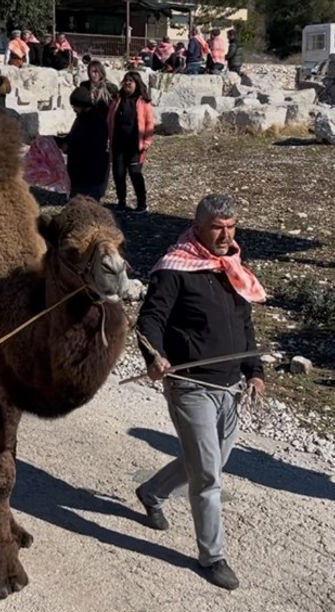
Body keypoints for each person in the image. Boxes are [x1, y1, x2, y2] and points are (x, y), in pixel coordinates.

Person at [134, 195, 266, 590]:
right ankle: (214, 557)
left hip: (230, 387)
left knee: (210, 462)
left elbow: (245, 327)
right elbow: (150, 320)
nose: (226, 235)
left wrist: (255, 372)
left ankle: (152, 492)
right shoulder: (174, 269)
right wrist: (154, 357)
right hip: (190, 386)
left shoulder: (232, 269)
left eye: (231, 227)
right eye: (217, 228)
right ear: (197, 226)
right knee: (208, 473)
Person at [106, 71, 153, 212]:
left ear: (137, 84)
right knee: (119, 174)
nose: (127, 83)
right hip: (118, 144)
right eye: (125, 80)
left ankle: (142, 203)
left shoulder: (144, 102)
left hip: (134, 146)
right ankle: (121, 201)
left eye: (130, 81)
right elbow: (109, 119)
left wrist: (147, 142)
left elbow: (150, 123)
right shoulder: (117, 99)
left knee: (135, 174)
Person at [63, 86, 109, 200]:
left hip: (91, 176)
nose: (74, 109)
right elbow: (71, 138)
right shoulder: (81, 119)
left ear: (82, 104)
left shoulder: (97, 121)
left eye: (75, 106)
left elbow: (89, 147)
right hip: (78, 175)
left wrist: (68, 147)